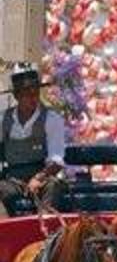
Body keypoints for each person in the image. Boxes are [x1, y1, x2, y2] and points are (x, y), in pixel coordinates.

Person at [0, 64, 69, 217]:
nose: (32, 97)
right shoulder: (3, 119)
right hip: (13, 179)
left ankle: (44, 233)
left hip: (43, 176)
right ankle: (5, 232)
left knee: (53, 187)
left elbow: (57, 160)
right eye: (26, 92)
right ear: (17, 96)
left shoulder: (52, 119)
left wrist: (38, 178)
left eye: (35, 92)